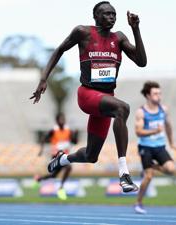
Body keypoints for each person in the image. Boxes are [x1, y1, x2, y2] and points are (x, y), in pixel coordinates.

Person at [30, 1, 147, 192]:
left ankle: (62, 159)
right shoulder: (83, 32)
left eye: (114, 14)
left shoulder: (119, 38)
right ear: (96, 17)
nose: (111, 17)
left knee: (91, 155)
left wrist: (136, 29)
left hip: (105, 99)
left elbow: (141, 62)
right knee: (122, 108)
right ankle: (124, 173)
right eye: (107, 14)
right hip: (87, 95)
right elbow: (59, 50)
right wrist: (44, 79)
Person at [134, 81, 176, 214]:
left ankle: (151, 166)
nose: (158, 96)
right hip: (145, 147)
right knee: (148, 177)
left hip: (160, 146)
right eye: (155, 93)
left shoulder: (164, 109)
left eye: (159, 93)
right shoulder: (141, 112)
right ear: (148, 95)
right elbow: (138, 132)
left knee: (171, 170)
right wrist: (154, 131)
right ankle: (138, 203)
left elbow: (168, 126)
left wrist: (171, 143)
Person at [35, 112, 77, 200]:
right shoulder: (53, 130)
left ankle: (60, 187)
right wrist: (41, 149)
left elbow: (75, 141)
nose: (62, 121)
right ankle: (40, 179)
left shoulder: (69, 130)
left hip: (64, 156)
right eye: (60, 119)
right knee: (54, 175)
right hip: (55, 156)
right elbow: (43, 138)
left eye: (63, 119)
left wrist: (75, 135)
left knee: (65, 169)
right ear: (57, 121)